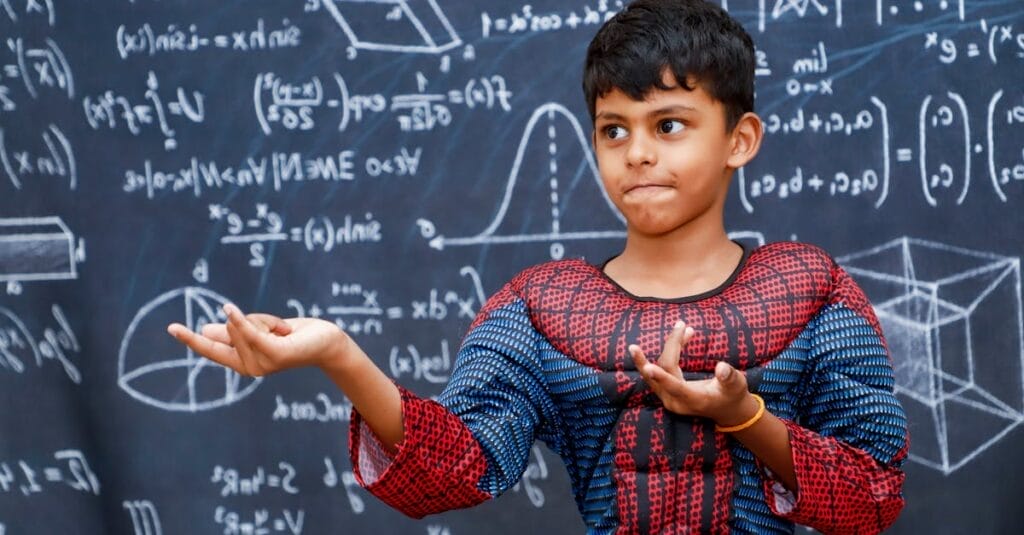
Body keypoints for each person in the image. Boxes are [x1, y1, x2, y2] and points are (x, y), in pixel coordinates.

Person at [167, 1, 909, 533]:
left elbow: (873, 498)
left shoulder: (811, 293)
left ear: (740, 138)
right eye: (613, 129)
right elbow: (450, 468)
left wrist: (744, 416)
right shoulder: (543, 309)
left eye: (670, 125)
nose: (638, 153)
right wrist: (337, 352)